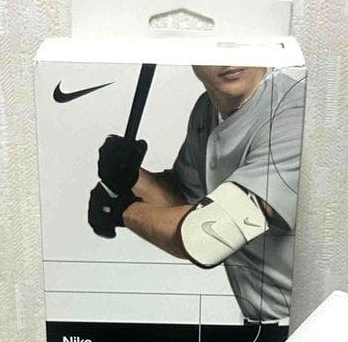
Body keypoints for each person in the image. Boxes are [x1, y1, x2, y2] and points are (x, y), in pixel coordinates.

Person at [89, 65, 305, 323]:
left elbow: (208, 236)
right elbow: (186, 203)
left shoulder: (294, 113)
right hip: (263, 322)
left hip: (311, 323)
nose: (230, 60)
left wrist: (123, 210)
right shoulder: (208, 109)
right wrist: (132, 177)